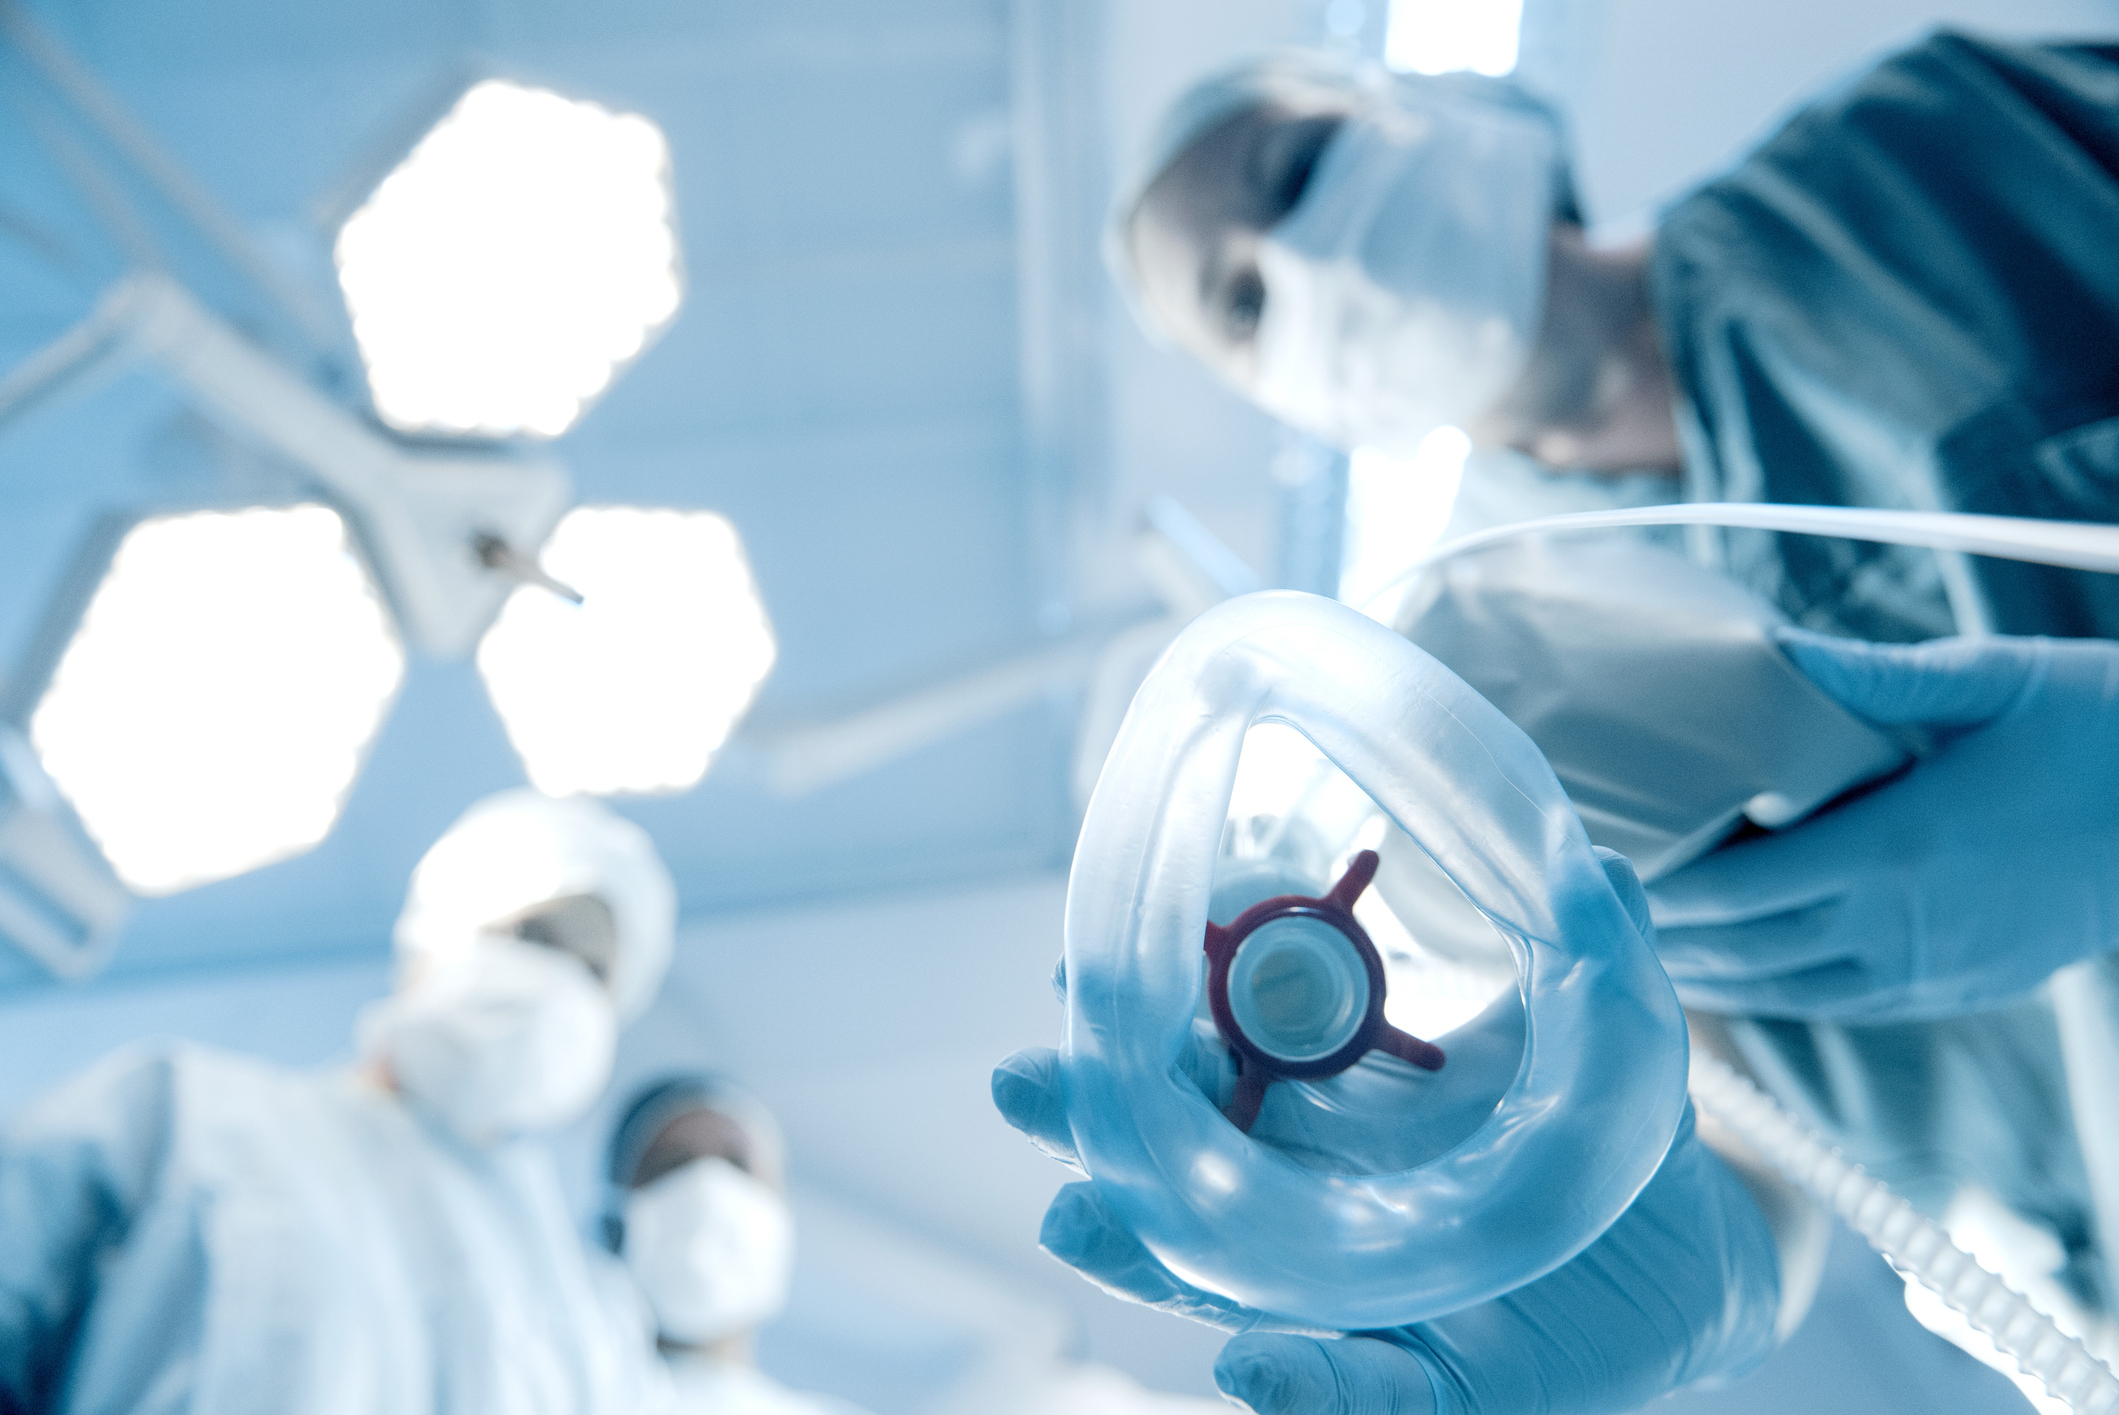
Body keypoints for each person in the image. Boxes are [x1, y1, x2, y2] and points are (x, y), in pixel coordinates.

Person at [1110, 34, 2119, 645]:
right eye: (1243, 306)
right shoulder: (1517, 652)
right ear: (1286, 409)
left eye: (1296, 168)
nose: (1307, 261)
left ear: (1437, 105)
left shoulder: (1912, 148)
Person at [0, 788, 680, 1415]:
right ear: (429, 942)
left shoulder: (593, 1322)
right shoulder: (182, 1123)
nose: (555, 980)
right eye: (535, 934)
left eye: (593, 972)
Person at [605, 1075, 867, 1415]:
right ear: (613, 1224)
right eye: (673, 1164)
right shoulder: (558, 1392)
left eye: (737, 1164)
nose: (707, 1188)